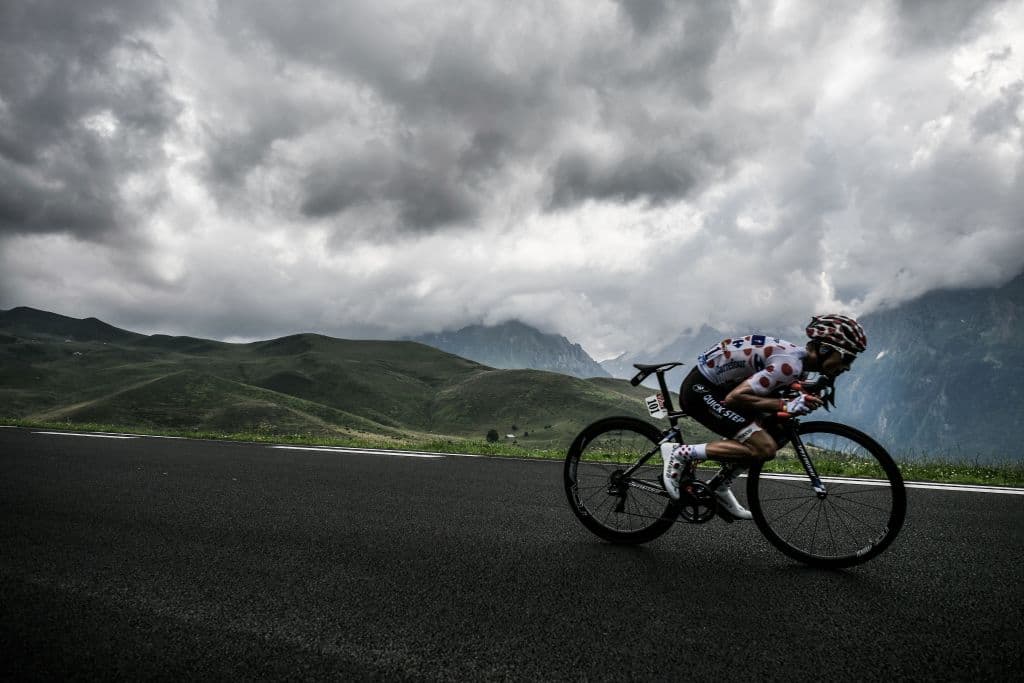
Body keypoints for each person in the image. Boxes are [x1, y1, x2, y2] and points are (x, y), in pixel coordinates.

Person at [660, 314, 868, 520]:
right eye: (847, 358)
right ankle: (680, 453)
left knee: (776, 431)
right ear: (825, 349)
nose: (848, 366)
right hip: (701, 389)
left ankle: (720, 485)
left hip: (720, 386)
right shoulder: (790, 366)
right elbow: (736, 398)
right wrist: (787, 404)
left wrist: (799, 395)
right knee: (764, 447)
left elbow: (773, 387)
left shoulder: (799, 365)